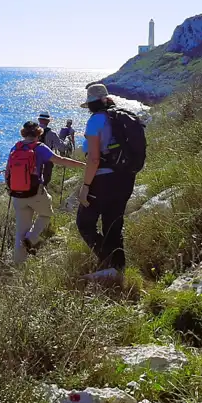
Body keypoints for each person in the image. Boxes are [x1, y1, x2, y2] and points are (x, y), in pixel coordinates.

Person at [77, 84, 137, 279]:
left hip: (103, 180)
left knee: (85, 223)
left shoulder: (96, 121)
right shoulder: (120, 117)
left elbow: (94, 159)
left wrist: (85, 186)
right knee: (113, 223)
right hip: (125, 178)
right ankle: (117, 268)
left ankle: (110, 263)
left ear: (91, 104)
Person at [5, 121, 85, 264]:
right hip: (35, 193)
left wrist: (11, 189)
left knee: (20, 232)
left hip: (17, 194)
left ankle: (17, 266)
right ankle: (32, 238)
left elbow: (7, 172)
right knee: (46, 214)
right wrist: (83, 165)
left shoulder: (15, 147)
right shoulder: (40, 147)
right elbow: (60, 160)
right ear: (38, 133)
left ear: (24, 133)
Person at [37, 111, 64, 183]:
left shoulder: (32, 131)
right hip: (47, 160)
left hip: (33, 160)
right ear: (48, 121)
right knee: (45, 181)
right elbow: (61, 147)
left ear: (39, 120)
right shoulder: (52, 133)